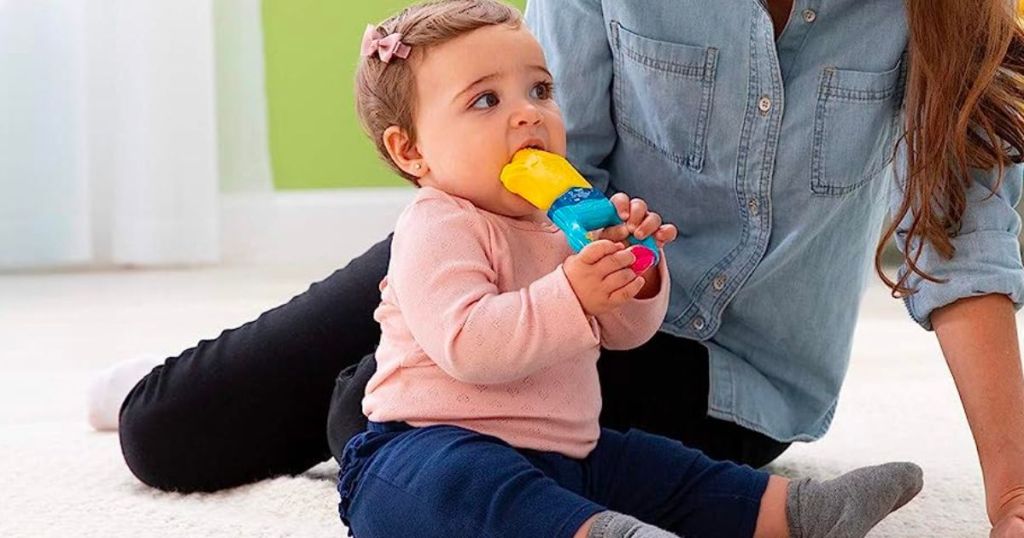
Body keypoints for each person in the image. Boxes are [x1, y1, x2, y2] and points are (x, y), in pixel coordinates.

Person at [89, 0, 1024, 533]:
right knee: (166, 433)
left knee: (362, 409)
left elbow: (964, 252)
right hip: (517, 257)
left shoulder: (943, 17)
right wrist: (557, 261)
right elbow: (528, 157)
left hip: (729, 370)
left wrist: (1013, 493)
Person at [334, 2, 920, 537]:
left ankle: (792, 513)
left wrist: (635, 275)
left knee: (651, 465)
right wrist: (572, 293)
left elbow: (625, 336)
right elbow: (470, 345)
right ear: (412, 151)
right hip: (424, 449)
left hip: (566, 449)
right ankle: (596, 533)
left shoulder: (559, 219)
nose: (527, 117)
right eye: (486, 101)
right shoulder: (438, 225)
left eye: (539, 90)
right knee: (477, 492)